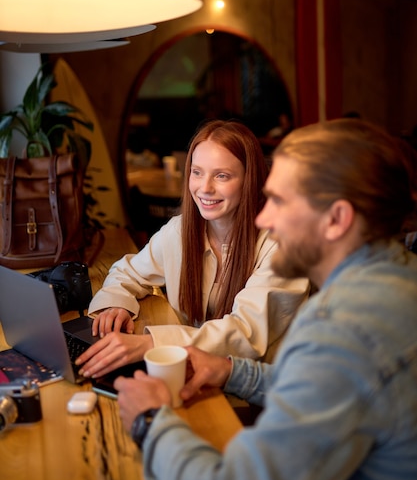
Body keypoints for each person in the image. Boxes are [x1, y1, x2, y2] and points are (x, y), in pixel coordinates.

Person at [114, 118, 417, 480]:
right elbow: (334, 389)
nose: (262, 218)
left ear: (337, 219)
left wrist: (150, 421)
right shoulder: (396, 274)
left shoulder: (343, 332)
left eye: (279, 201)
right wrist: (232, 371)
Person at [76, 119, 309, 379]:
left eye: (222, 175)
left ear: (249, 179)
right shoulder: (181, 230)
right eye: (197, 172)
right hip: (198, 371)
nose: (205, 188)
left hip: (262, 391)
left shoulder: (281, 248)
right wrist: (116, 306)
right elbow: (126, 272)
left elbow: (244, 333)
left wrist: (150, 343)